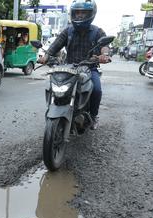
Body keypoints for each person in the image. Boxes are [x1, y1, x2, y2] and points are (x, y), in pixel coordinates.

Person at [38, 0, 110, 129]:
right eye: (77, 12)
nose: (80, 15)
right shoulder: (68, 31)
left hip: (89, 68)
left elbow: (104, 46)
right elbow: (55, 45)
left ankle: (93, 117)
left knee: (97, 90)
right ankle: (55, 109)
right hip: (69, 68)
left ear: (91, 14)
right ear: (73, 14)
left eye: (84, 12)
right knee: (53, 86)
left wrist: (104, 55)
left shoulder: (97, 32)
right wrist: (46, 56)